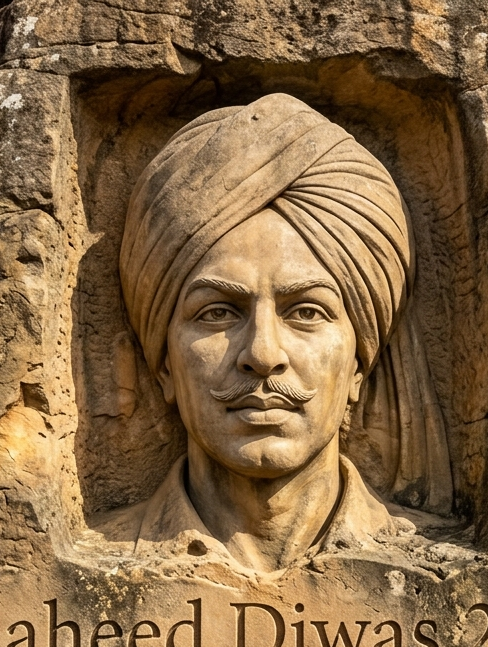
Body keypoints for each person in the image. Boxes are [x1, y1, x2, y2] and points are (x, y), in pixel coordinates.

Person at [93, 93, 451, 572]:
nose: (262, 355)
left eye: (306, 312)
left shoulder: (434, 563)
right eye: (217, 313)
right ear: (163, 368)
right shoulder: (99, 558)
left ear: (358, 368)